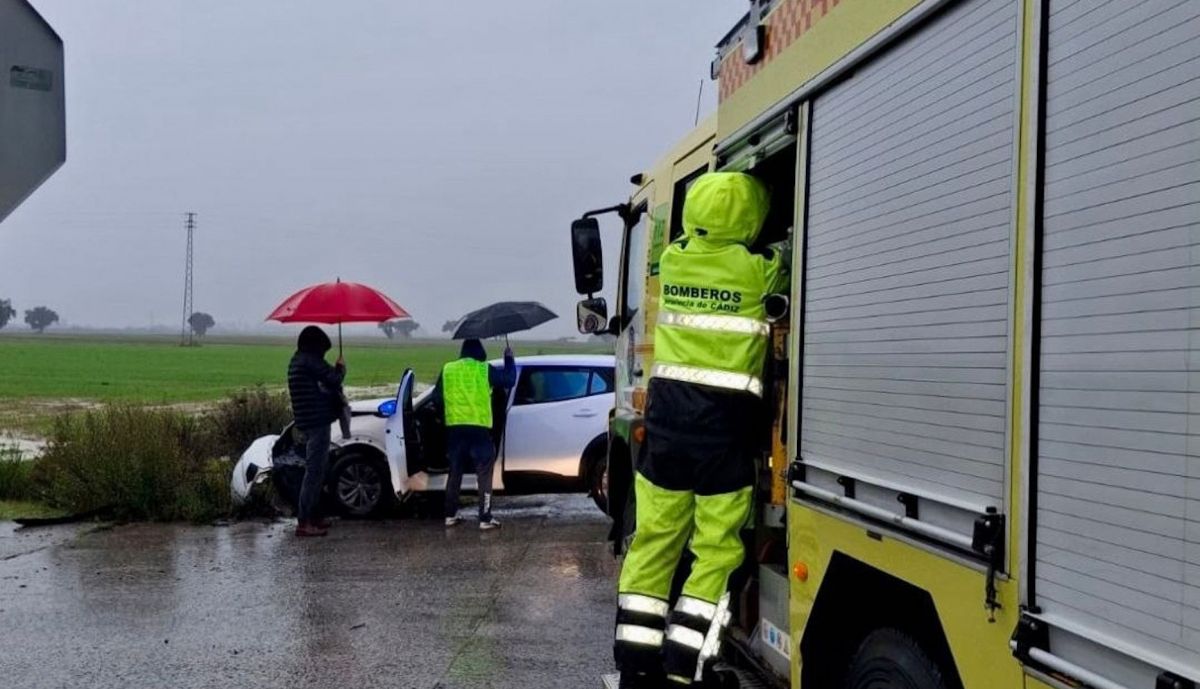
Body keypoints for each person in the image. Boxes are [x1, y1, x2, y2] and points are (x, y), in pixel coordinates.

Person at [613, 172, 789, 687]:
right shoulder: (760, 270)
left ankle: (635, 667)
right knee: (716, 550)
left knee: (653, 542)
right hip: (725, 434)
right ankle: (683, 669)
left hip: (667, 426)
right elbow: (786, 262)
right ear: (750, 219)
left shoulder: (673, 260)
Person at [437, 338, 516, 530]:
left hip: (455, 431)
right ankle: (485, 518)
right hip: (479, 431)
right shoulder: (484, 369)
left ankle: (450, 516)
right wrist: (509, 359)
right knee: (484, 475)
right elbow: (509, 380)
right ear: (480, 351)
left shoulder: (448, 369)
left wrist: (445, 416)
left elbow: (436, 398)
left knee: (455, 473)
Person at [286, 326, 346, 538]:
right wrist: (340, 368)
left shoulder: (297, 360)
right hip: (317, 422)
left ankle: (314, 515)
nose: (323, 354)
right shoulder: (310, 361)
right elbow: (334, 379)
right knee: (314, 472)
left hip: (306, 422)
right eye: (323, 350)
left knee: (317, 471)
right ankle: (304, 522)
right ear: (316, 346)